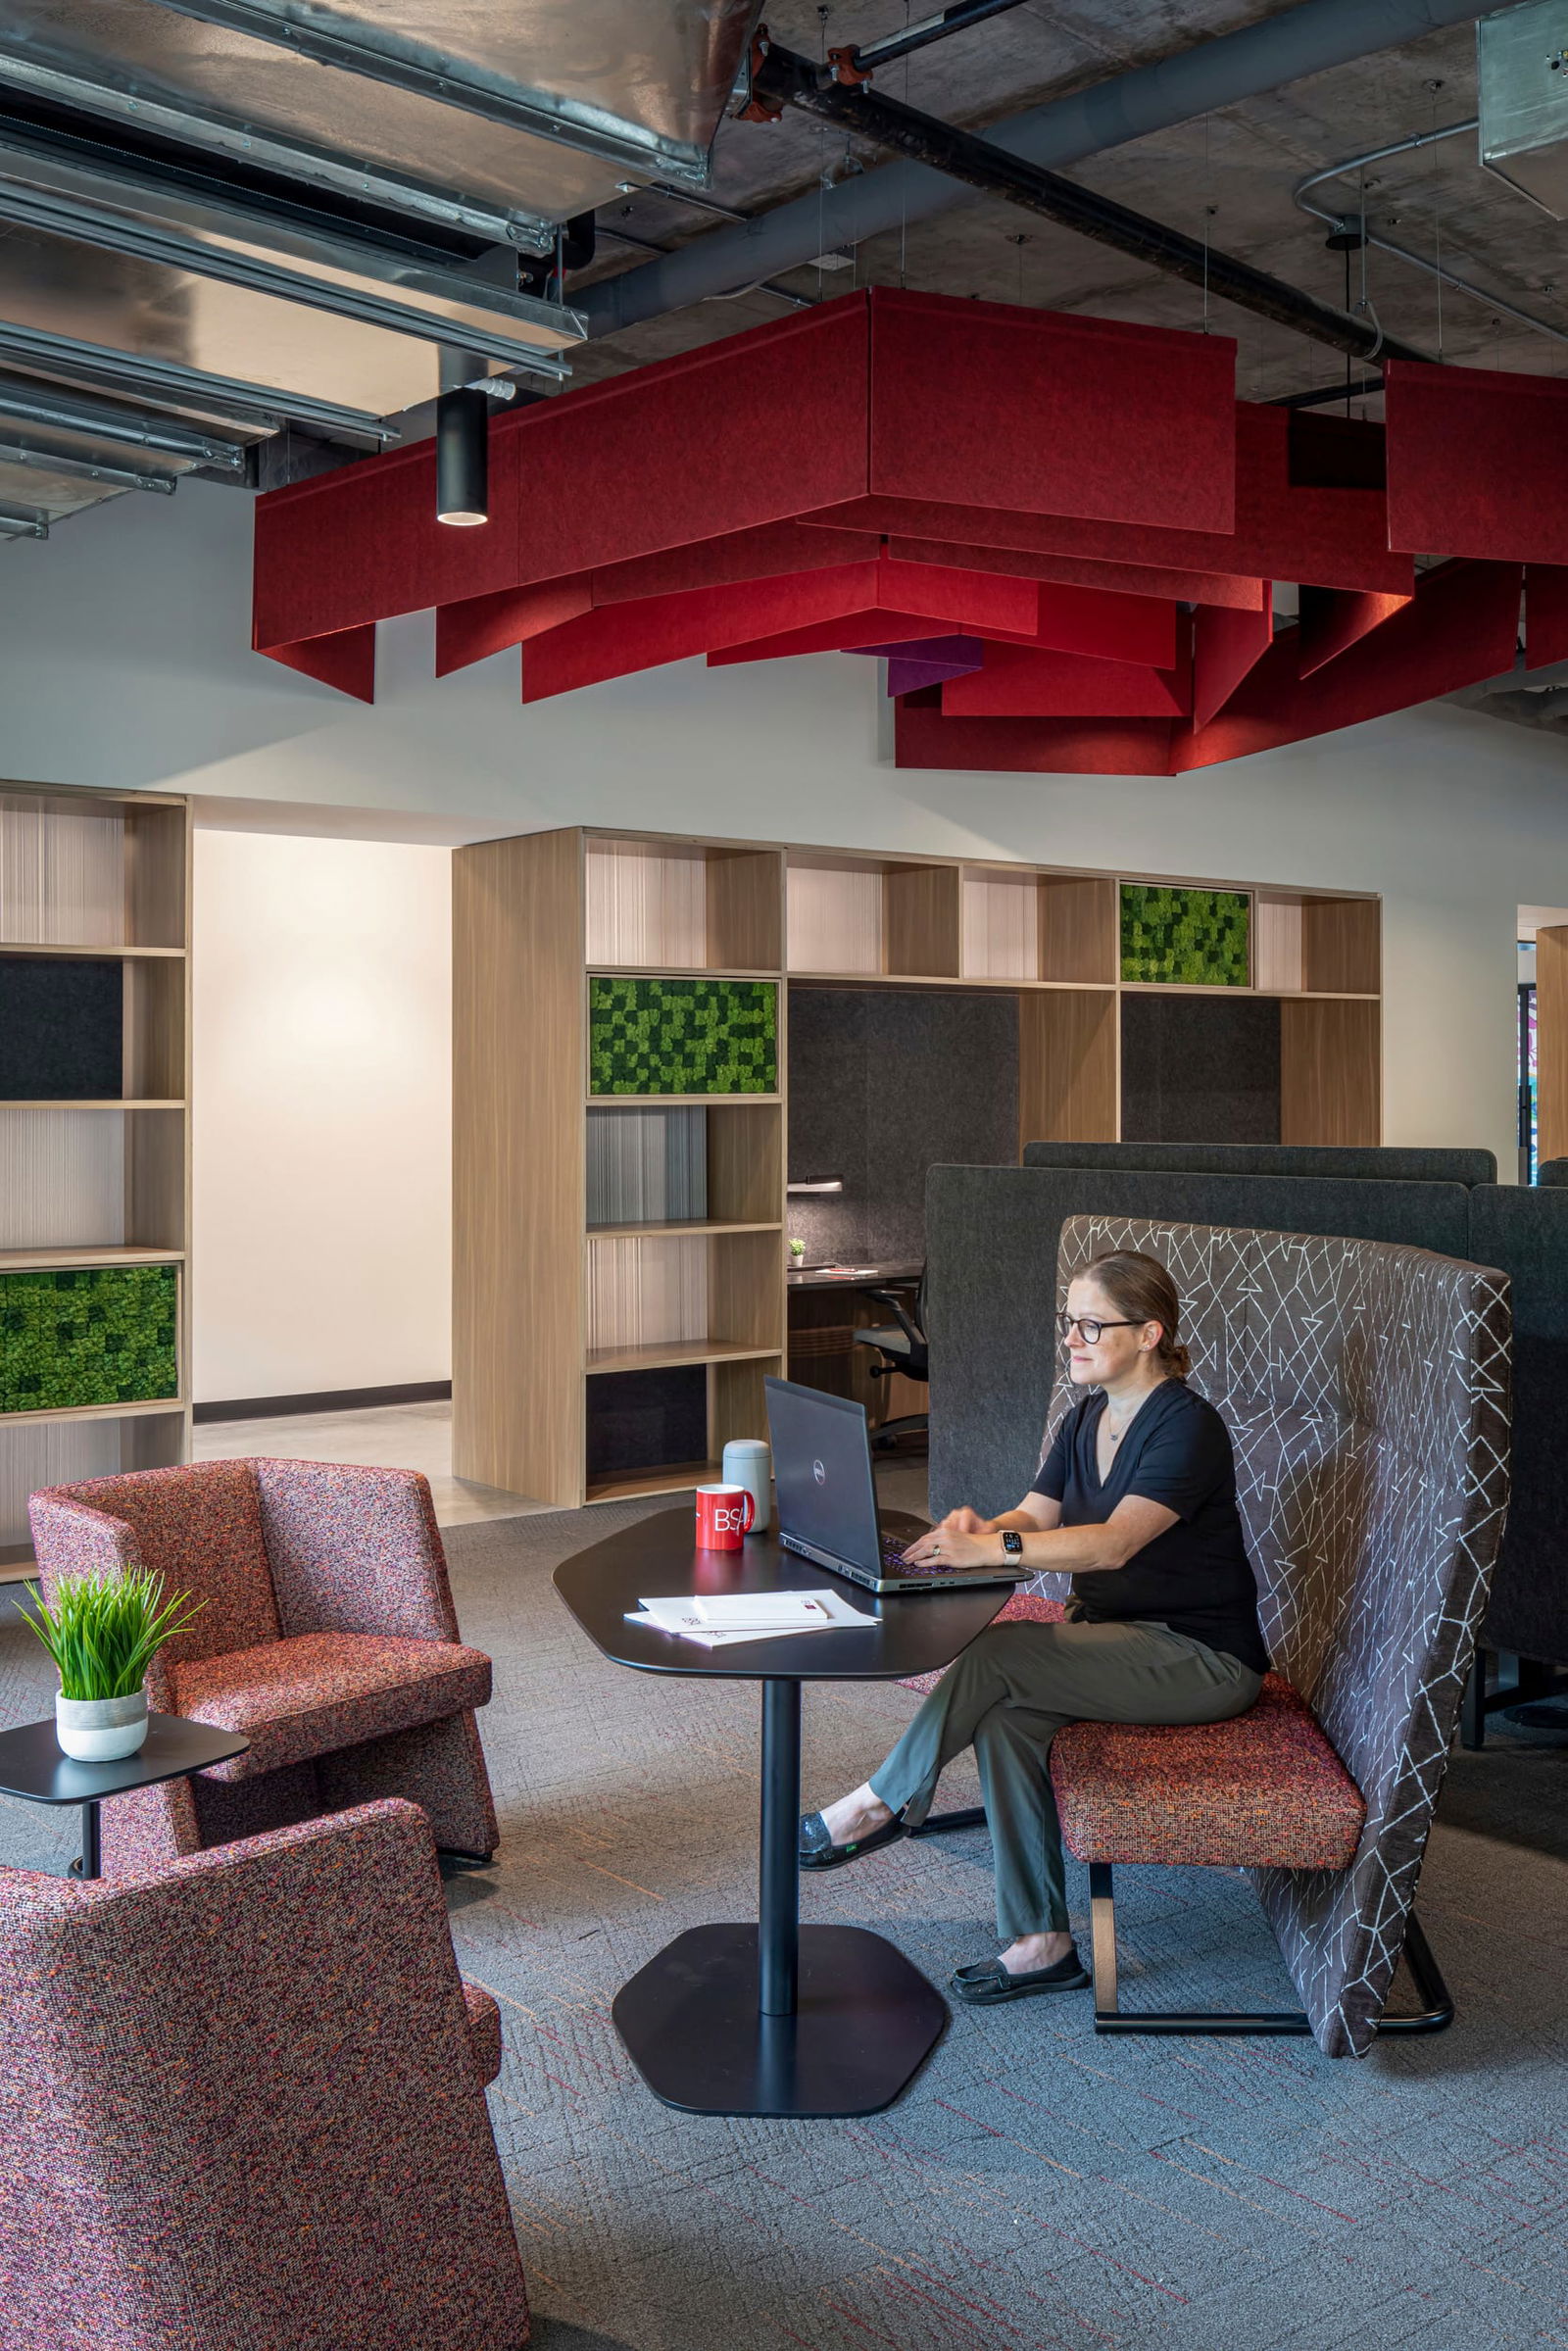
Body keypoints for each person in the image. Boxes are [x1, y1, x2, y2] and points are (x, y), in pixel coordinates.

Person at [798, 1249, 1269, 2005]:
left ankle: (877, 1803)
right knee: (1008, 1721)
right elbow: (1037, 1516)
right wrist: (985, 1526)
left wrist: (993, 1548)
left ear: (1149, 1333)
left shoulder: (1188, 1427)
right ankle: (1042, 1941)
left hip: (1199, 1657)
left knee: (1000, 1651)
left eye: (1090, 1324)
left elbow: (1112, 1540)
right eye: (1068, 1322)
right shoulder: (1086, 1416)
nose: (1072, 1339)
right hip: (1113, 1638)